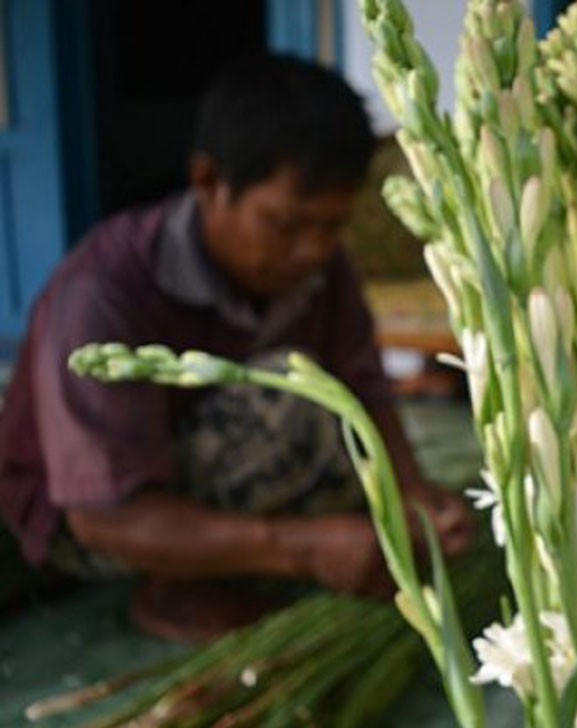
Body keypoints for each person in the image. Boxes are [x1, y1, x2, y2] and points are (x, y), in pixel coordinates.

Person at [0, 55, 473, 640]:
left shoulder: (324, 268)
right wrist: (301, 549)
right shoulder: (102, 292)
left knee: (344, 433)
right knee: (290, 399)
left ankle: (232, 555)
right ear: (207, 183)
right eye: (284, 224)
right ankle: (179, 583)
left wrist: (413, 496)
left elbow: (367, 392)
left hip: (201, 474)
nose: (312, 250)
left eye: (332, 226)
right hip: (88, 524)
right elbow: (100, 516)